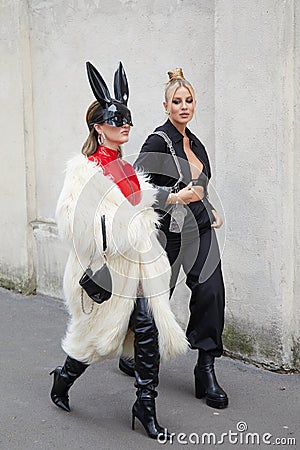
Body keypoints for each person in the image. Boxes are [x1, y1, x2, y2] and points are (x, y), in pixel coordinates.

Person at [50, 61, 188, 439]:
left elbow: (139, 202)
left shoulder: (126, 166)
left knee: (146, 328)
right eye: (117, 120)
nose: (126, 126)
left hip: (138, 265)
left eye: (127, 120)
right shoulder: (83, 170)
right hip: (105, 271)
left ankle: (145, 405)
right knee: (92, 341)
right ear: (99, 127)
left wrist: (165, 202)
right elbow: (73, 223)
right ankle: (64, 377)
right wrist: (122, 228)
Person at [119, 68, 228, 410]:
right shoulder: (157, 141)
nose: (184, 106)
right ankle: (135, 350)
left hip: (199, 228)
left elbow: (200, 186)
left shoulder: (194, 143)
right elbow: (139, 191)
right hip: (167, 233)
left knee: (211, 290)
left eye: (189, 101)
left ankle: (206, 367)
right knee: (155, 298)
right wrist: (179, 198)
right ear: (165, 106)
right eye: (177, 101)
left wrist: (209, 208)